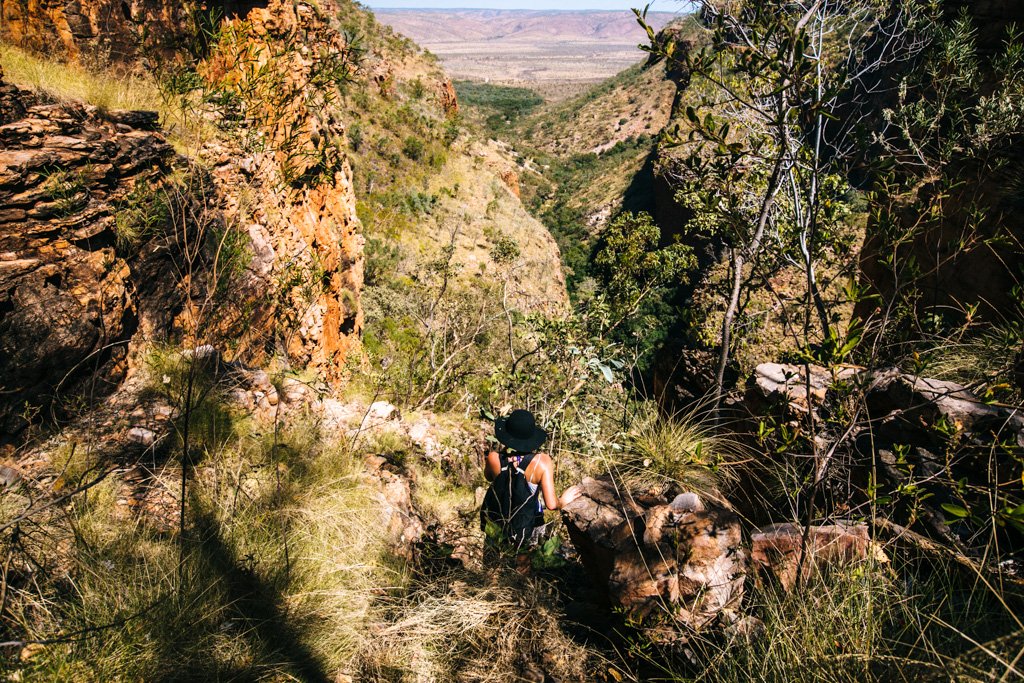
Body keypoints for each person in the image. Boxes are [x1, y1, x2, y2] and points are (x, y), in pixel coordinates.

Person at [480, 409, 581, 550]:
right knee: (523, 565)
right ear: (531, 437)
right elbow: (551, 505)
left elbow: (489, 477)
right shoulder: (542, 462)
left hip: (496, 524)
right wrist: (563, 500)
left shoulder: (493, 458)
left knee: (492, 564)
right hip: (526, 528)